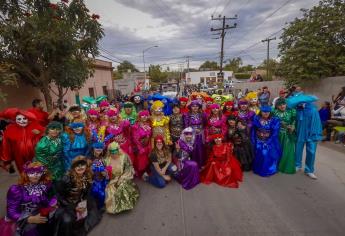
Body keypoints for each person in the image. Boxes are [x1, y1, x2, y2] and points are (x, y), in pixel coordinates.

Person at [2, 161, 57, 236]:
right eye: (32, 173)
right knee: (32, 232)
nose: (35, 175)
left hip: (39, 214)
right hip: (21, 220)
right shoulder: (16, 190)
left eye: (38, 172)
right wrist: (29, 219)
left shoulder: (44, 185)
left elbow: (50, 200)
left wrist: (52, 202)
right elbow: (11, 212)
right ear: (26, 174)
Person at [54, 156, 102, 236]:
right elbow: (59, 196)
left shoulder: (88, 175)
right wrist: (74, 207)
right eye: (77, 165)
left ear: (86, 166)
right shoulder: (66, 179)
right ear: (73, 167)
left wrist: (84, 202)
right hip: (68, 204)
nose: (80, 167)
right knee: (67, 221)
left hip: (81, 201)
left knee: (93, 214)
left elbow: (87, 191)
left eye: (82, 164)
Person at [287, 92, 323, 179]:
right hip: (300, 133)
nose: (299, 104)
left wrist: (316, 134)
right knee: (298, 150)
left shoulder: (313, 110)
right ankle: (297, 165)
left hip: (311, 134)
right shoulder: (297, 111)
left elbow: (317, 123)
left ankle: (309, 170)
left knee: (311, 152)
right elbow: (293, 121)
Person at [1, 109, 44, 173]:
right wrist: (7, 162)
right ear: (15, 120)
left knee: (39, 174)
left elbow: (48, 137)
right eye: (19, 119)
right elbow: (6, 146)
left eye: (24, 118)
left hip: (36, 157)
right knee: (24, 175)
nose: (22, 121)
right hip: (20, 159)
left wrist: (40, 133)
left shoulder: (35, 126)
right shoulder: (10, 130)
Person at [104, 142, 139, 214]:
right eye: (112, 151)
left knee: (122, 186)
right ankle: (115, 207)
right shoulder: (106, 160)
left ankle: (125, 206)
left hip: (123, 177)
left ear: (118, 150)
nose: (114, 153)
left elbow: (128, 169)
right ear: (109, 152)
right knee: (111, 191)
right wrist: (107, 175)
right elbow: (105, 173)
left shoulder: (124, 157)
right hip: (112, 180)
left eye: (115, 151)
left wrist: (122, 178)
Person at [251, 106, 282, 177]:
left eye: (267, 112)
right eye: (264, 112)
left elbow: (275, 133)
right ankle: (257, 168)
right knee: (258, 151)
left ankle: (268, 169)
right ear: (261, 112)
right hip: (258, 140)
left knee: (265, 152)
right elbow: (253, 130)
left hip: (270, 141)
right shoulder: (256, 118)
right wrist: (254, 140)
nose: (266, 113)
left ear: (270, 112)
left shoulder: (274, 120)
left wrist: (268, 142)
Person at [272, 98, 297, 174]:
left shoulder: (291, 112)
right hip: (277, 134)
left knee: (287, 151)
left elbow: (294, 121)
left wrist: (292, 126)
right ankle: (275, 165)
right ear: (277, 106)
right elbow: (271, 121)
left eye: (283, 104)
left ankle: (284, 166)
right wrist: (279, 123)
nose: (282, 106)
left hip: (287, 134)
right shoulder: (274, 112)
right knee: (276, 150)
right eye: (280, 105)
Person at [184, 100, 207, 169]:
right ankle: (193, 165)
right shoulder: (187, 115)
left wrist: (201, 130)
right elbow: (186, 126)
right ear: (190, 107)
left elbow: (205, 124)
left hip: (200, 135)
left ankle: (201, 165)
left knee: (200, 149)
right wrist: (193, 130)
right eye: (193, 106)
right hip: (191, 135)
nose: (195, 107)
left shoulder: (202, 114)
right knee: (192, 149)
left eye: (196, 106)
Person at [131, 110, 152, 177]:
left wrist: (149, 146)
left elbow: (150, 136)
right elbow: (135, 138)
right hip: (140, 147)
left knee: (147, 160)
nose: (144, 117)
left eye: (146, 115)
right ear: (139, 117)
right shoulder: (136, 126)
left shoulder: (149, 124)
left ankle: (146, 171)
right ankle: (140, 173)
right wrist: (140, 148)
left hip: (147, 146)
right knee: (141, 161)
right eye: (143, 115)